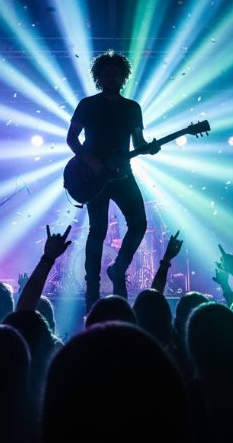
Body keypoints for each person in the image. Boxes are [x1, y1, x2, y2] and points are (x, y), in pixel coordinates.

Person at [66, 51, 158, 309]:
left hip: (123, 173)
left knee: (139, 223)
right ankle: (92, 287)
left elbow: (138, 142)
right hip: (94, 177)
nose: (111, 77)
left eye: (116, 73)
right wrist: (88, 159)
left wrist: (148, 148)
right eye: (106, 73)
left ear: (123, 76)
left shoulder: (132, 108)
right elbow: (72, 138)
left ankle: (118, 268)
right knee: (98, 230)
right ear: (99, 76)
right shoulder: (87, 104)